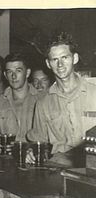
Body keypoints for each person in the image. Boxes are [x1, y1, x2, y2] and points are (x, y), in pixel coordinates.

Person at [26, 32, 96, 166]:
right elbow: (37, 141)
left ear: (75, 58)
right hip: (60, 168)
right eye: (54, 59)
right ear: (48, 63)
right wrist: (30, 151)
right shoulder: (43, 103)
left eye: (65, 57)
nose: (60, 65)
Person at [0, 52, 41, 153]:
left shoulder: (42, 100)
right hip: (7, 161)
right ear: (5, 75)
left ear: (27, 73)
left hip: (34, 160)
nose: (13, 76)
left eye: (18, 71)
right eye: (9, 72)